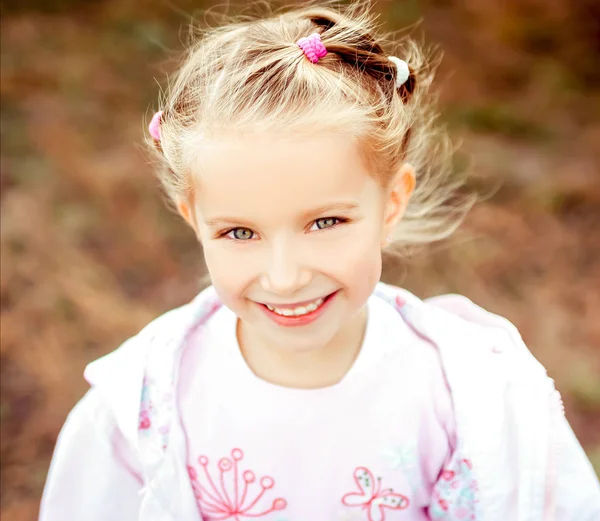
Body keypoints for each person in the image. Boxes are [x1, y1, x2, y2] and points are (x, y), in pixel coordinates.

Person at [39, 2, 600, 520]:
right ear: (193, 218)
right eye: (239, 231)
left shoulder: (469, 396)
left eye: (325, 223)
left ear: (391, 203)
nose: (285, 277)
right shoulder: (143, 409)